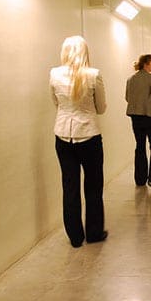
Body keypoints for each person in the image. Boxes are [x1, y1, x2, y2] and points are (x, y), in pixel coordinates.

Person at [50, 35, 108, 248]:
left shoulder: (54, 74)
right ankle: (94, 232)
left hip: (63, 135)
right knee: (93, 186)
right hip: (89, 135)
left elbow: (56, 102)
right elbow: (101, 108)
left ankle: (75, 236)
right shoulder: (93, 75)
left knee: (70, 185)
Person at [125, 54, 151, 192]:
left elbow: (127, 97)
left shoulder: (131, 78)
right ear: (146, 64)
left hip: (135, 116)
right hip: (150, 116)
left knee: (140, 146)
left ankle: (140, 179)